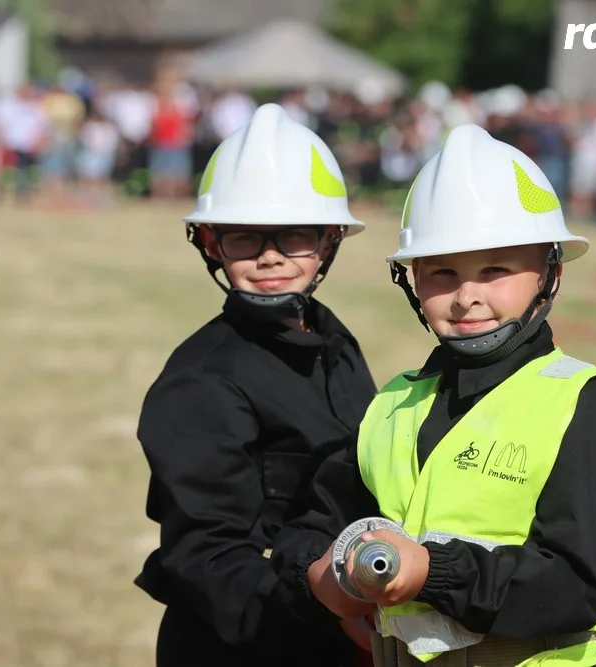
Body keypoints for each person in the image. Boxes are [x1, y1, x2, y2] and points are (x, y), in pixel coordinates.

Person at [271, 124, 596, 667]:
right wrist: (319, 571)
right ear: (412, 280)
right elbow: (318, 521)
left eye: (495, 270)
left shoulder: (585, 406)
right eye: (442, 273)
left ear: (549, 274)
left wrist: (431, 571)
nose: (466, 297)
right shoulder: (395, 405)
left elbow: (573, 589)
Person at [133, 103, 378, 667]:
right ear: (211, 243)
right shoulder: (200, 381)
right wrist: (330, 615)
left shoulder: (334, 341)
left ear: (330, 239)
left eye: (293, 235)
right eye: (246, 237)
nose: (270, 256)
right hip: (249, 645)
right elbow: (207, 554)